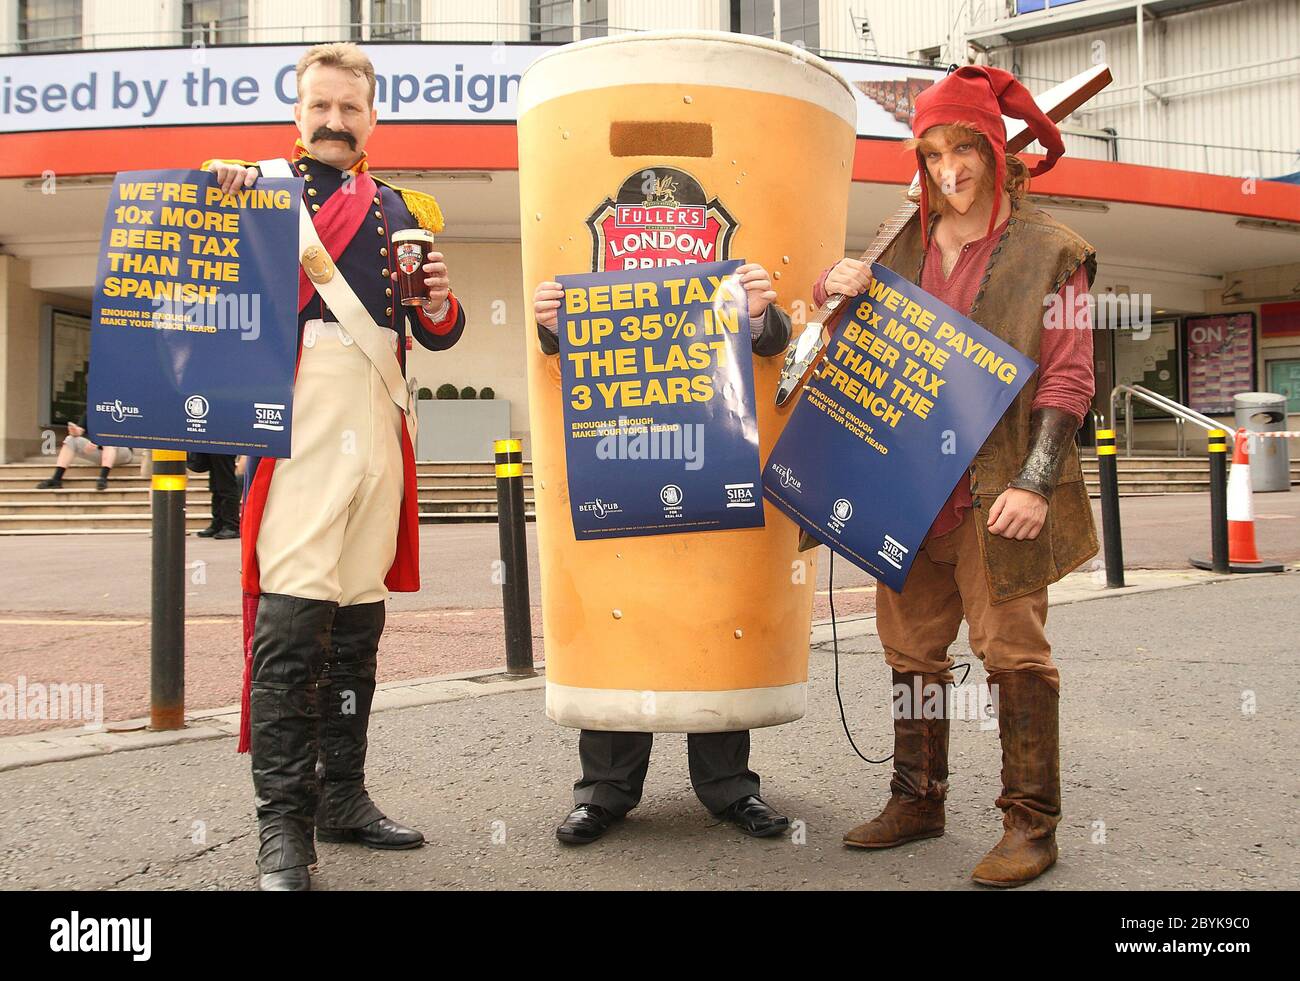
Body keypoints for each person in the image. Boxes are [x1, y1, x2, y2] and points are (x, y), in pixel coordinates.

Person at [813, 66, 1099, 887]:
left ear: (995, 151)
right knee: (910, 649)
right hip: (905, 490)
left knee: (1013, 651)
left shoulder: (1059, 253)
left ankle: (1029, 823)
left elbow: (1071, 378)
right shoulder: (897, 239)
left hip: (997, 489)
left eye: (964, 148)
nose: (950, 170)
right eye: (933, 153)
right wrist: (830, 284)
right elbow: (842, 333)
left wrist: (1036, 484)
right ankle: (918, 797)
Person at [206, 41, 466, 891]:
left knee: (356, 624)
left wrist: (441, 303)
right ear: (297, 114)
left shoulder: (404, 204)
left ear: (372, 118)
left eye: (350, 108)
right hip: (304, 413)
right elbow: (212, 269)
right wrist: (224, 189)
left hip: (381, 410)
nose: (333, 121)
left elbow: (434, 329)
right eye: (319, 106)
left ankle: (342, 796)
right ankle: (282, 829)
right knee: (291, 624)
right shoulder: (259, 189)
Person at [532, 268, 794, 844]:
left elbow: (781, 339)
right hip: (621, 442)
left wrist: (758, 319)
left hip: (713, 449)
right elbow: (562, 343)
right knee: (618, 613)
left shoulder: (736, 208)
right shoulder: (590, 213)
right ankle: (604, 789)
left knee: (714, 614)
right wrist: (552, 325)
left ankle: (730, 784)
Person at [35, 415, 134, 491]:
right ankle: (56, 479)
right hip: (100, 452)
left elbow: (121, 435)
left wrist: (97, 441)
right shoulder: (91, 410)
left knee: (109, 441)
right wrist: (74, 431)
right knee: (70, 439)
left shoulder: (120, 409)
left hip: (122, 453)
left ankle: (103, 479)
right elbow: (80, 430)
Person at [189, 453, 240, 539]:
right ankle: (218, 524)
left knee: (226, 484)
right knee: (215, 486)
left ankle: (231, 525)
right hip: (213, 447)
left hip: (224, 446)